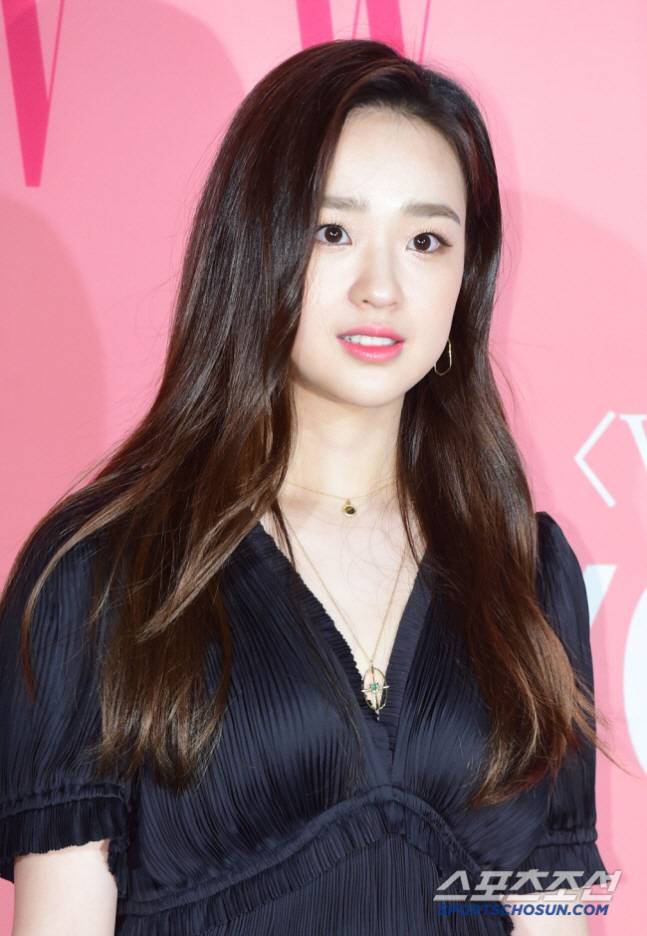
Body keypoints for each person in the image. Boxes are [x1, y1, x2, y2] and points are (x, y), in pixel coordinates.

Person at [0, 38, 615, 936]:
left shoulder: (525, 572)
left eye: (425, 240)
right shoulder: (100, 571)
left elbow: (552, 909)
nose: (380, 287)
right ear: (254, 247)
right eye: (332, 232)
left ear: (466, 277)